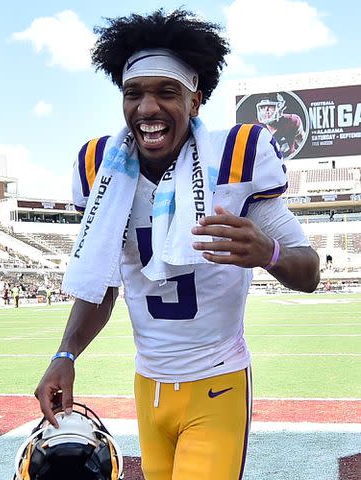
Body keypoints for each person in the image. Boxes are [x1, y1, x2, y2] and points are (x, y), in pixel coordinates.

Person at [35, 8, 320, 480]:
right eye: (134, 93)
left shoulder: (233, 165)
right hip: (148, 387)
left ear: (195, 101)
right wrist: (64, 354)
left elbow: (309, 272)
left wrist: (268, 252)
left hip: (217, 383)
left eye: (166, 92)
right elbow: (104, 285)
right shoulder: (102, 171)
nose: (147, 108)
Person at [256, 93, 305, 158]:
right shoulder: (256, 129)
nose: (266, 111)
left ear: (280, 107)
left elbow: (301, 142)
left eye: (270, 107)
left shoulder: (292, 121)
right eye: (262, 107)